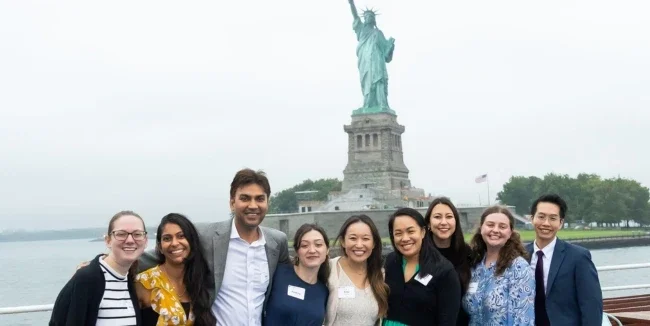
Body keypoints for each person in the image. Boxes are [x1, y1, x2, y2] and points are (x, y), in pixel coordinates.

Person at [138, 168, 291, 326]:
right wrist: (115, 264)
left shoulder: (277, 242)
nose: (253, 205)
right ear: (232, 203)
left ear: (267, 202)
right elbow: (166, 252)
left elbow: (293, 273)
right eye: (245, 198)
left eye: (259, 199)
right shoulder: (208, 236)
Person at [50, 211, 147, 325]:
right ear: (108, 240)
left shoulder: (130, 280)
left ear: (145, 241)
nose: (130, 240)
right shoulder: (86, 279)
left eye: (137, 234)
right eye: (121, 234)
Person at [526, 194, 603, 325]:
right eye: (541, 217)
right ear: (532, 218)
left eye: (553, 218)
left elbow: (591, 305)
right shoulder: (519, 255)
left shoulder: (578, 257)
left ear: (561, 223)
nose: (546, 223)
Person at [383, 207, 461, 326]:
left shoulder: (443, 270)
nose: (405, 238)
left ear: (423, 232)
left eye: (411, 231)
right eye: (398, 233)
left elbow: (447, 321)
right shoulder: (390, 262)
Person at [135, 213, 216, 325]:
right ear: (160, 247)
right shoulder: (145, 283)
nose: (174, 243)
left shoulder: (199, 281)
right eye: (167, 238)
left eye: (181, 236)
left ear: (192, 242)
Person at [462, 206, 535, 326]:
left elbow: (523, 319)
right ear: (481, 228)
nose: (495, 230)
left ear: (510, 232)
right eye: (490, 225)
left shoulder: (518, 268)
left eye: (502, 226)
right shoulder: (474, 265)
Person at [324, 215, 389, 326]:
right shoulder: (329, 269)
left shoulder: (380, 275)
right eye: (353, 238)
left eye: (365, 239)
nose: (359, 245)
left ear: (373, 244)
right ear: (343, 241)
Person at [263, 224, 330, 325]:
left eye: (318, 245)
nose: (312, 250)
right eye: (304, 245)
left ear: (327, 250)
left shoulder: (324, 291)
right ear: (297, 251)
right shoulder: (277, 274)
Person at [424, 197, 472, 325]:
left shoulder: (468, 254)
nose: (443, 222)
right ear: (428, 223)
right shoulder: (420, 255)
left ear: (456, 221)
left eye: (449, 217)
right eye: (437, 217)